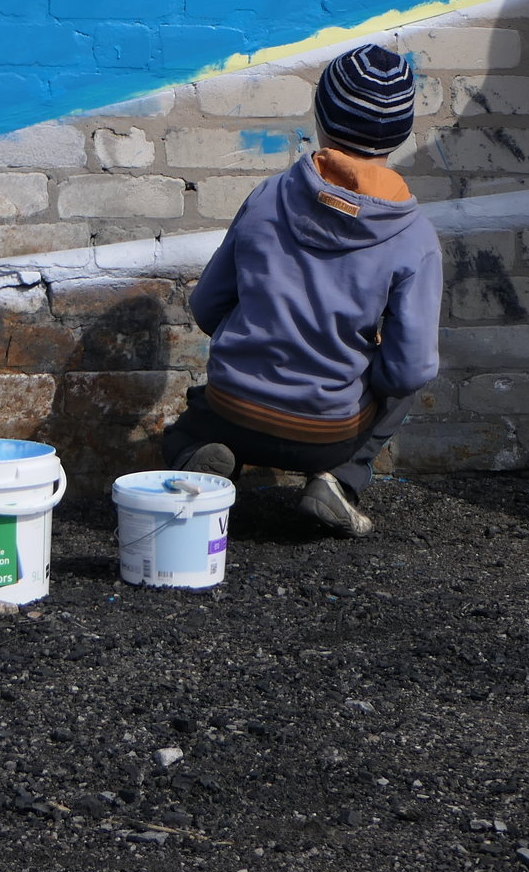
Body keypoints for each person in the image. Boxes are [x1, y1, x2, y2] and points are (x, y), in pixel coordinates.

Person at [158, 43, 443, 539]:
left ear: (320, 117)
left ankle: (194, 455)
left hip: (232, 412)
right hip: (326, 434)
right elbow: (409, 368)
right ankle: (341, 479)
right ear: (400, 134)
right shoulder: (413, 235)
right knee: (407, 379)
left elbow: (207, 305)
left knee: (187, 426)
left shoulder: (268, 196)